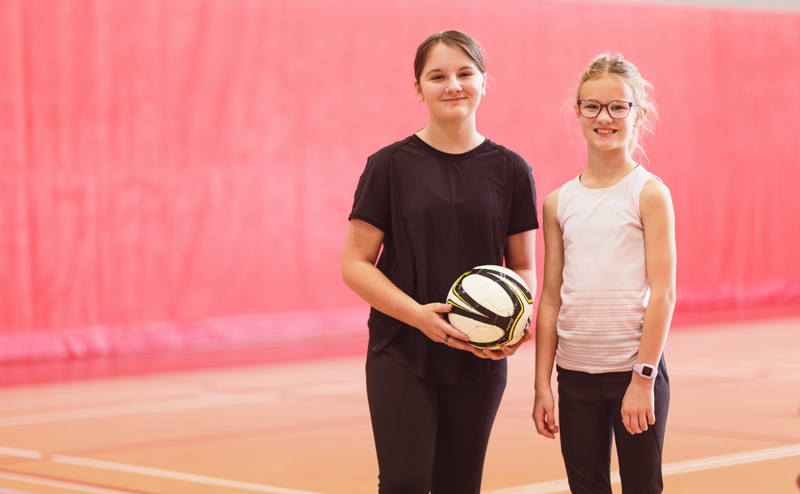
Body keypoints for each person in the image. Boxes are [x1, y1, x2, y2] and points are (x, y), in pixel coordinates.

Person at [342, 30, 538, 494]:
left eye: (465, 73)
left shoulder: (512, 169)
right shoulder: (388, 165)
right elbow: (354, 264)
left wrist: (515, 325)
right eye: (438, 76)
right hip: (401, 347)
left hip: (479, 352)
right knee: (405, 481)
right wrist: (419, 317)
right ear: (418, 88)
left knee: (459, 484)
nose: (453, 85)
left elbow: (524, 267)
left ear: (485, 81)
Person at [532, 54, 676, 494]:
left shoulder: (649, 193)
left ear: (639, 113)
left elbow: (664, 294)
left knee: (641, 487)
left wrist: (642, 379)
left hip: (633, 374)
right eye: (592, 106)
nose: (605, 117)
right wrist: (543, 384)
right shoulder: (559, 202)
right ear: (577, 112)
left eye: (618, 106)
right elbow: (551, 298)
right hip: (574, 377)